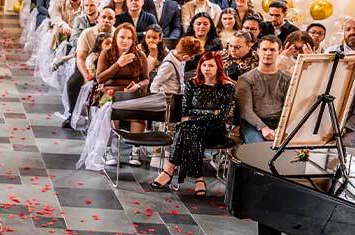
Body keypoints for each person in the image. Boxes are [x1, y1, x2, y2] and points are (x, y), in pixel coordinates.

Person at [147, 52, 236, 196]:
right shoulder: (192, 84)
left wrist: (199, 113)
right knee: (190, 130)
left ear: (218, 67)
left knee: (186, 128)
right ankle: (198, 179)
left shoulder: (227, 87)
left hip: (216, 130)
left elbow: (223, 116)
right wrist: (212, 112)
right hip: (194, 129)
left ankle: (169, 170)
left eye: (211, 65)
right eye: (204, 65)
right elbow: (185, 110)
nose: (207, 68)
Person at [96, 24, 152, 165]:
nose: (125, 41)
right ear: (115, 38)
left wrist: (138, 85)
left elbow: (146, 79)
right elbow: (100, 78)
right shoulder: (106, 53)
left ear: (134, 40)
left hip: (131, 93)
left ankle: (135, 149)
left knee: (140, 110)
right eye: (122, 37)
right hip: (110, 92)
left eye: (129, 38)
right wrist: (118, 64)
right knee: (109, 110)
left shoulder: (140, 55)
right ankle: (108, 149)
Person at [63, 7, 116, 128]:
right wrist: (86, 75)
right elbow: (81, 57)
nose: (106, 20)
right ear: (98, 19)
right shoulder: (87, 33)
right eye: (104, 17)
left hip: (110, 69)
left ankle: (112, 119)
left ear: (114, 21)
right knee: (73, 82)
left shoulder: (117, 33)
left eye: (110, 18)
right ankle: (72, 114)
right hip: (89, 66)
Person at [236, 35, 288, 143]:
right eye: (264, 49)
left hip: (280, 123)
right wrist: (263, 127)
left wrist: (281, 128)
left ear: (279, 51)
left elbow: (289, 108)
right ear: (258, 51)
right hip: (253, 124)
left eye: (272, 50)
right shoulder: (245, 79)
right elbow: (246, 111)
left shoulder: (287, 79)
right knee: (258, 149)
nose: (268, 53)